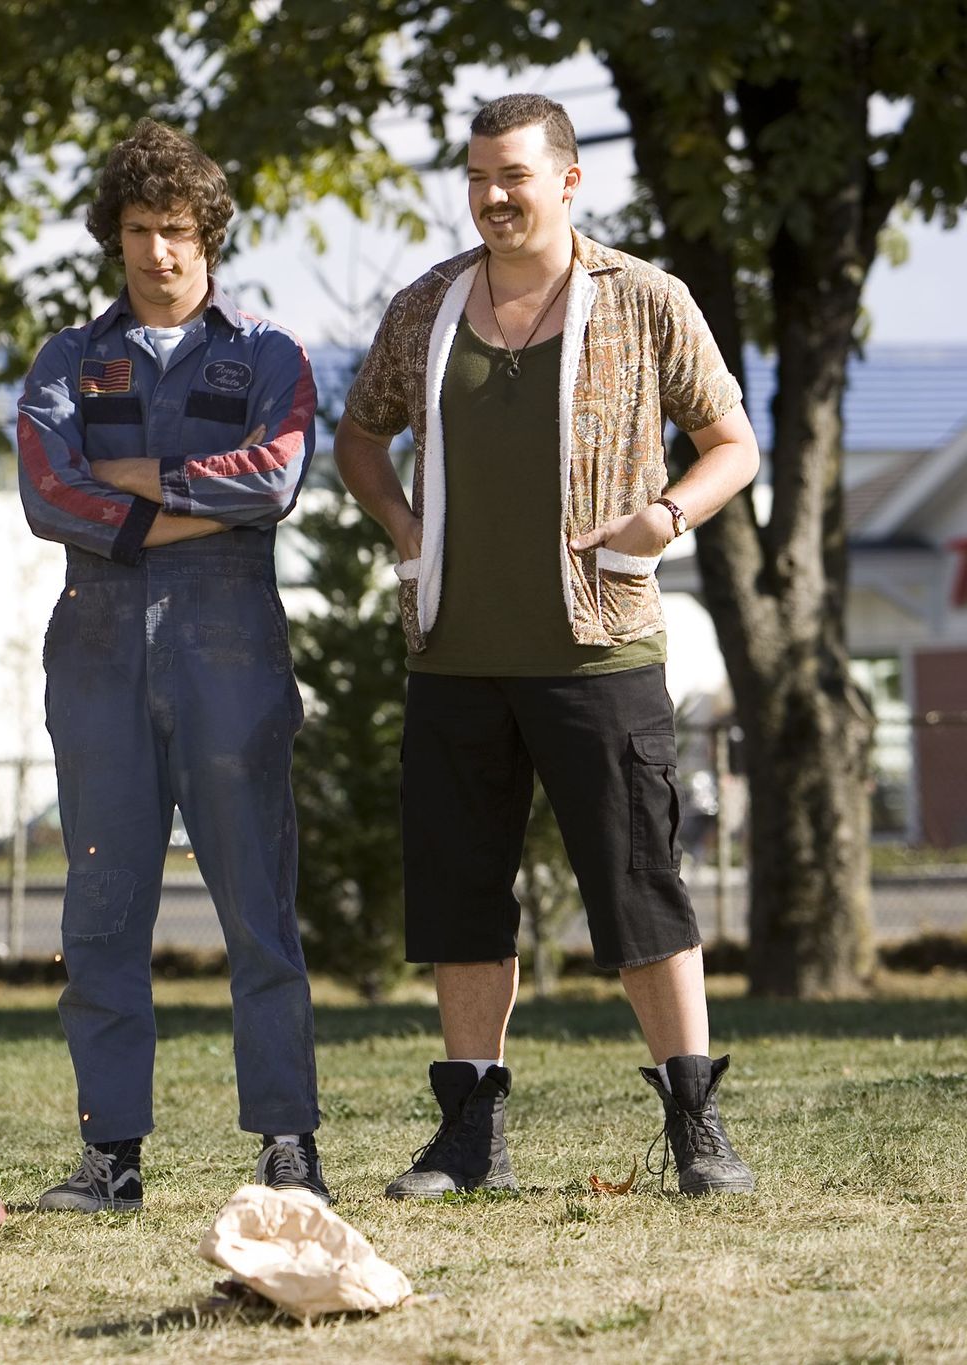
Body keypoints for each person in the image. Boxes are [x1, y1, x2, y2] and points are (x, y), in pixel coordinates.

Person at [333, 93, 761, 1197]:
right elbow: (359, 431)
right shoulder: (426, 303)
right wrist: (400, 523)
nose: (491, 195)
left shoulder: (641, 298)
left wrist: (664, 520)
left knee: (638, 890)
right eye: (476, 176)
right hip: (452, 656)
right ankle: (467, 1137)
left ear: (567, 181)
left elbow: (730, 443)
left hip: (597, 651)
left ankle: (694, 1128)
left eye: (512, 175)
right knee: (460, 895)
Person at [16, 119, 326, 1212]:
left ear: (210, 240)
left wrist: (133, 479)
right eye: (140, 231)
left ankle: (287, 1142)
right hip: (94, 658)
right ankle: (111, 1154)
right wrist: (183, 501)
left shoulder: (269, 355)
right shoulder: (64, 358)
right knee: (99, 913)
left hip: (229, 655)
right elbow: (46, 496)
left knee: (257, 907)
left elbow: (273, 480)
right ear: (114, 238)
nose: (159, 253)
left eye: (179, 233)